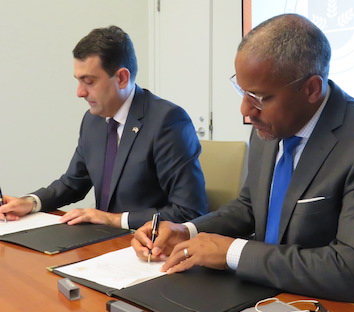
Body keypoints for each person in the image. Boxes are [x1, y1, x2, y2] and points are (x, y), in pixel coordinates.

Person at [131, 14, 354, 312]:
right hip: (267, 297)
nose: (245, 110)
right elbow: (249, 206)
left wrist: (230, 251)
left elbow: (351, 272)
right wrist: (187, 231)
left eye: (259, 97)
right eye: (241, 91)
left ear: (311, 88)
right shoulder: (269, 127)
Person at [0, 26, 207, 229]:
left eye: (89, 81)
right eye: (78, 81)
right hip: (101, 243)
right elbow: (73, 182)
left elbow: (189, 211)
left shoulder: (167, 121)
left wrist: (113, 220)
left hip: (147, 245)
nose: (79, 92)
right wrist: (31, 202)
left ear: (122, 78)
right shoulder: (93, 120)